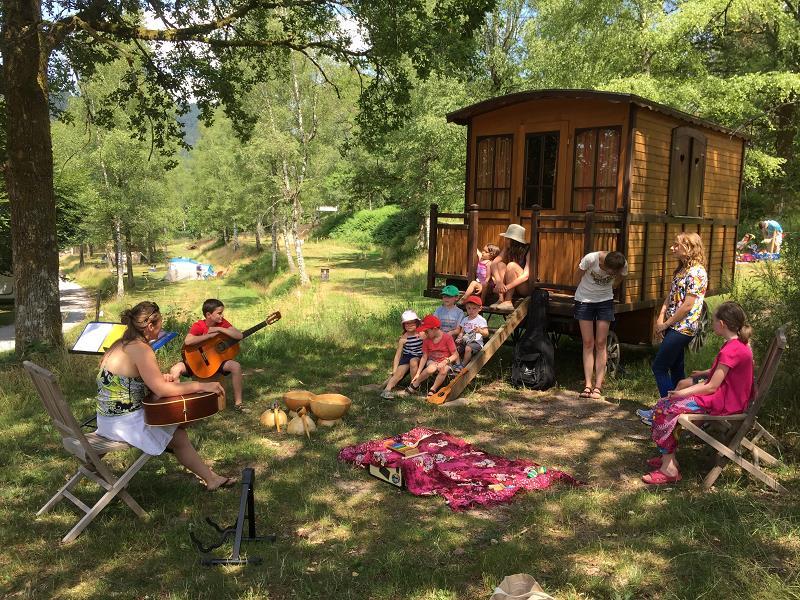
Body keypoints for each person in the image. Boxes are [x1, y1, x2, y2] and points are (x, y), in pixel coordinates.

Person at [96, 301, 234, 491]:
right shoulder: (141, 349)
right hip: (123, 424)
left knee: (176, 431)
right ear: (150, 326)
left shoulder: (120, 344)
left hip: (106, 419)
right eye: (160, 324)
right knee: (178, 434)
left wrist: (160, 379)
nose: (161, 329)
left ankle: (212, 478)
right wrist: (202, 386)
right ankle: (211, 479)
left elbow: (126, 380)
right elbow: (161, 390)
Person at [642, 301, 754, 485]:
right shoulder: (739, 345)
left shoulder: (731, 350)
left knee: (664, 408)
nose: (711, 324)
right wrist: (702, 375)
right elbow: (726, 374)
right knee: (666, 405)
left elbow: (711, 387)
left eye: (714, 320)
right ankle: (668, 458)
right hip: (732, 399)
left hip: (724, 403)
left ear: (722, 324)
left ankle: (669, 468)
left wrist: (682, 393)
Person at [651, 232, 708, 399]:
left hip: (683, 328)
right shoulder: (682, 269)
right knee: (676, 368)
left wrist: (666, 324)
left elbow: (687, 306)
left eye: (677, 245)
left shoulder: (697, 272)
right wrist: (660, 317)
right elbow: (671, 296)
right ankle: (681, 406)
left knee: (659, 367)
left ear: (689, 248)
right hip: (673, 325)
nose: (672, 248)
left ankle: (668, 407)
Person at [169, 299, 245, 410]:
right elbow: (188, 341)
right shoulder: (199, 325)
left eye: (222, 313)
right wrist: (208, 336)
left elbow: (239, 335)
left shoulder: (222, 323)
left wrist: (219, 329)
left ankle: (238, 403)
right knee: (175, 370)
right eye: (219, 313)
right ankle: (179, 405)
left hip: (216, 364)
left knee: (236, 366)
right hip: (195, 362)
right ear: (208, 314)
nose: (222, 315)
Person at [573, 250, 628, 400]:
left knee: (601, 342)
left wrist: (611, 285)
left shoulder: (622, 264)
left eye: (611, 273)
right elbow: (577, 275)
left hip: (605, 302)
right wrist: (578, 294)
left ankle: (598, 386)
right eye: (606, 270)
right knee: (588, 342)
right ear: (603, 264)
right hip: (584, 300)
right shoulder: (591, 259)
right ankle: (588, 384)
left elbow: (620, 278)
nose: (607, 274)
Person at [406, 315, 459, 397]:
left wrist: (445, 362)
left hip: (446, 361)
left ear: (434, 329)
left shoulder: (447, 338)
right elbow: (424, 356)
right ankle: (416, 383)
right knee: (431, 368)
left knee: (443, 370)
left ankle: (433, 389)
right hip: (432, 361)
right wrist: (418, 373)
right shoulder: (427, 339)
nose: (424, 333)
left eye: (426, 331)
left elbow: (455, 355)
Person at [381, 310, 424, 399]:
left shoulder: (421, 333)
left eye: (412, 323)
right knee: (399, 373)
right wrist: (394, 369)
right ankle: (387, 390)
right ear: (403, 325)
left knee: (413, 361)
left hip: (419, 356)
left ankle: (413, 386)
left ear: (417, 323)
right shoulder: (404, 338)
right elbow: (398, 355)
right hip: (407, 357)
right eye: (406, 324)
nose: (409, 325)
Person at [489, 224, 531, 311]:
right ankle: (501, 299)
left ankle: (508, 301)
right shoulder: (508, 248)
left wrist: (506, 287)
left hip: (524, 287)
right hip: (510, 287)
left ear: (514, 240)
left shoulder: (528, 249)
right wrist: (499, 282)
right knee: (500, 265)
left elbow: (526, 276)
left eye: (507, 238)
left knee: (511, 265)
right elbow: (493, 263)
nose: (505, 240)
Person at [453, 295, 489, 367]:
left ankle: (463, 365)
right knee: (454, 347)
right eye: (469, 308)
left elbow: (486, 333)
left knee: (468, 348)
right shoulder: (465, 319)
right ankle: (457, 363)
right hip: (465, 340)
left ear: (480, 308)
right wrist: (460, 336)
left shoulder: (481, 320)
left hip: (476, 342)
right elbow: (462, 331)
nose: (471, 311)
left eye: (474, 308)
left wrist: (480, 331)